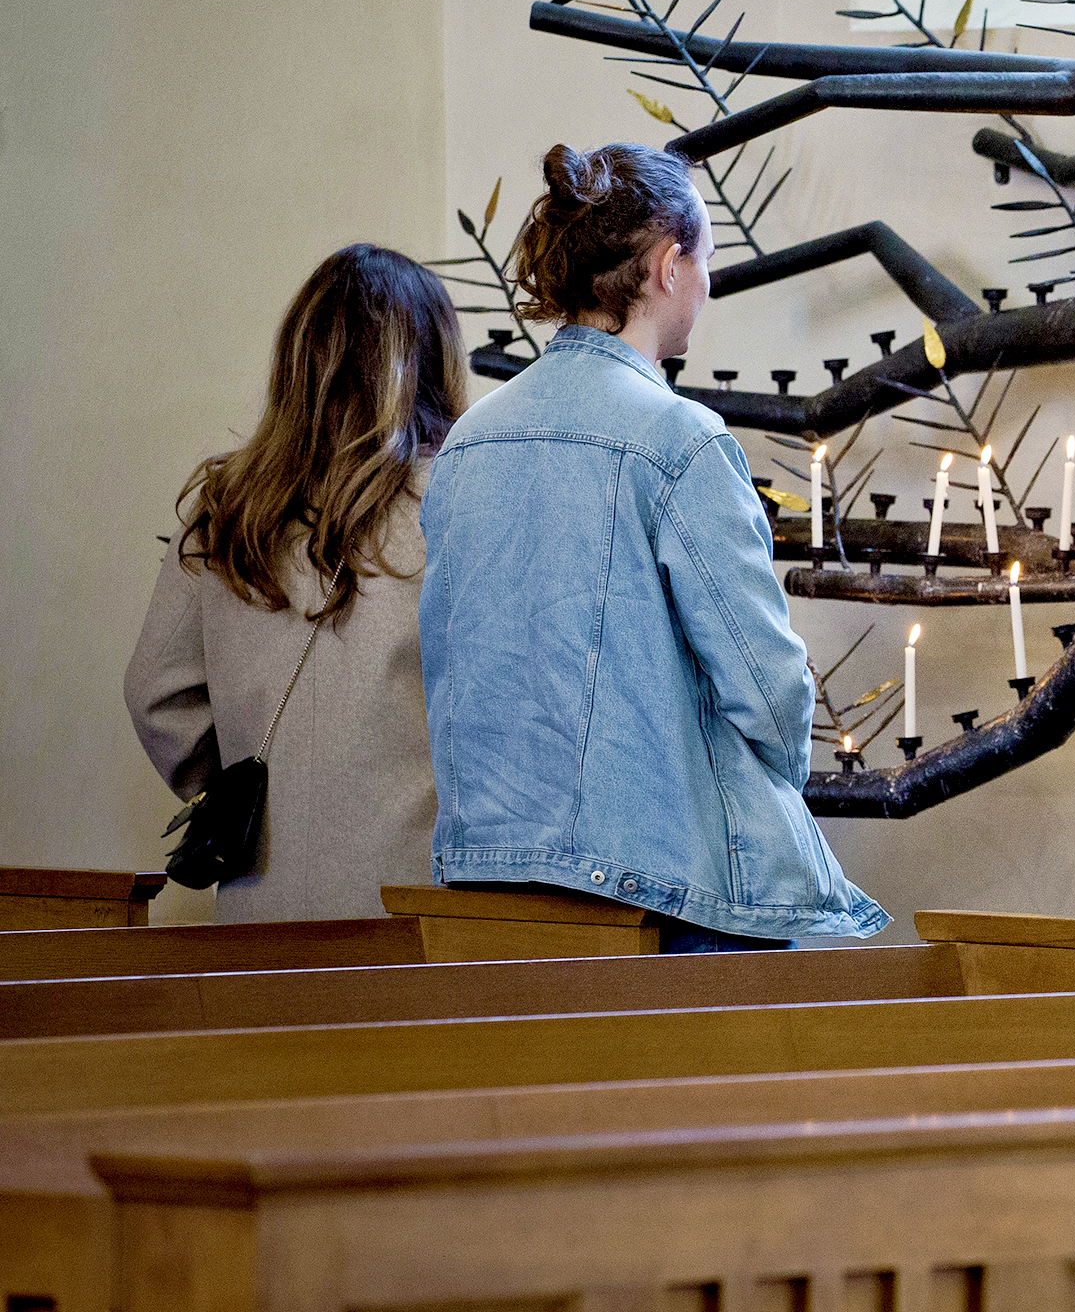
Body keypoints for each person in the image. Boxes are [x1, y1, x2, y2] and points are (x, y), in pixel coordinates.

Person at [418, 142, 885, 950]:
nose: (706, 285)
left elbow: (455, 661)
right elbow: (766, 689)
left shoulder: (468, 440)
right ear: (669, 265)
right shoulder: (679, 438)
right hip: (655, 883)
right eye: (705, 260)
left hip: (490, 878)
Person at [125, 244, 463, 922]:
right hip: (419, 899)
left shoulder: (228, 508)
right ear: (431, 361)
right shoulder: (461, 500)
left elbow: (155, 693)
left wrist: (248, 789)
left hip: (260, 902)